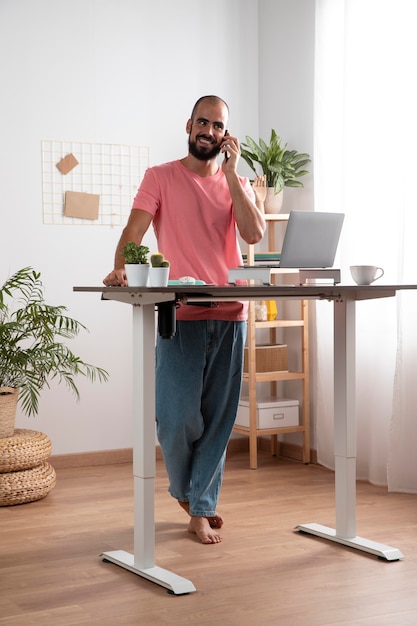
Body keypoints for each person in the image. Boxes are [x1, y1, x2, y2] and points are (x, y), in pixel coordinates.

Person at [103, 95, 266, 544]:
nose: (208, 131)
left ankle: (200, 506)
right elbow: (133, 233)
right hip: (180, 313)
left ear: (225, 135)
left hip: (231, 313)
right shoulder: (160, 177)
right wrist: (122, 266)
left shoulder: (238, 183)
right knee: (176, 419)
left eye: (217, 125)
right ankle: (190, 493)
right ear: (189, 125)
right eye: (202, 122)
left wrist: (233, 176)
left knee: (218, 418)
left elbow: (254, 233)